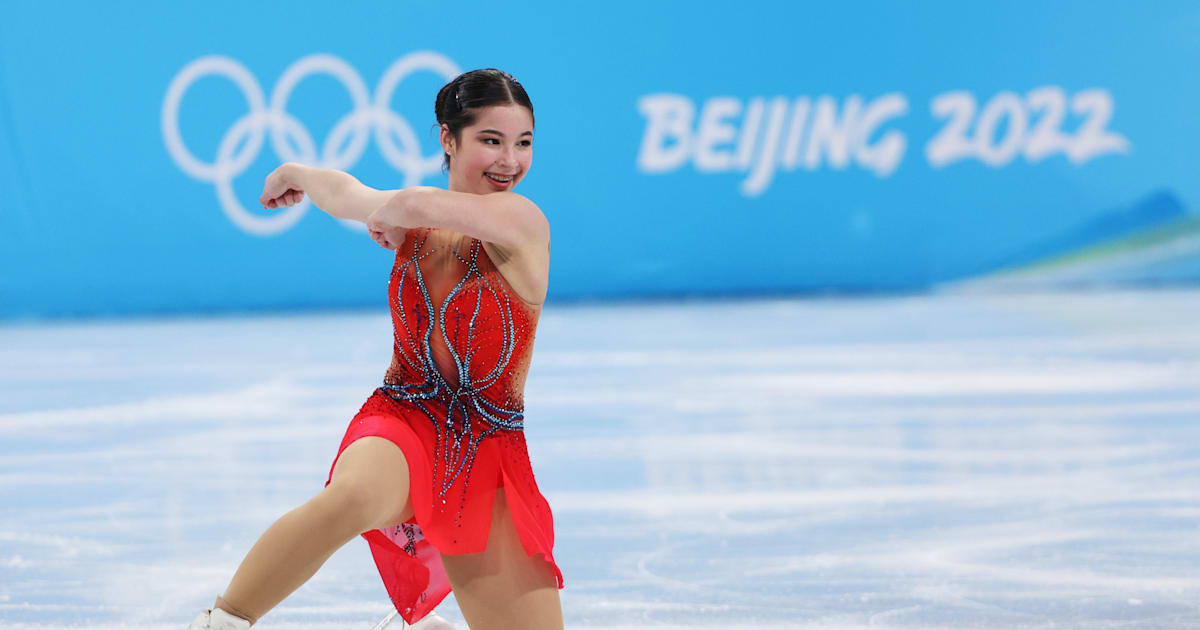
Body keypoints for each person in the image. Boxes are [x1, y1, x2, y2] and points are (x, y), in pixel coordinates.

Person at [187, 69, 562, 630]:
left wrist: (395, 210)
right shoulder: (413, 214)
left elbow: (408, 202)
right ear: (448, 139)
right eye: (491, 140)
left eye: (523, 142)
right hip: (404, 413)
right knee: (354, 495)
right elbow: (349, 195)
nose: (510, 160)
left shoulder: (522, 223)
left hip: (486, 446)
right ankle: (222, 622)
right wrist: (299, 175)